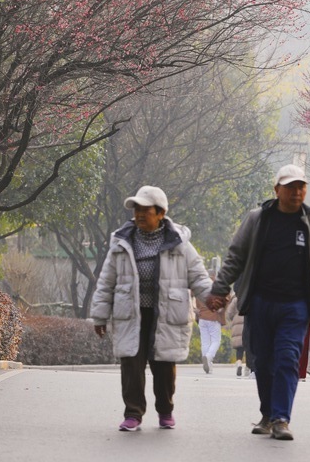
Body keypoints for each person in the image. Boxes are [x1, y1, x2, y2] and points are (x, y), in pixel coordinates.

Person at [210, 163, 310, 442]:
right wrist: (220, 288)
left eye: (301, 186)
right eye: (290, 187)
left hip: (295, 306)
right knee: (262, 361)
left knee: (288, 359)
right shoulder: (258, 220)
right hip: (261, 302)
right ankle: (267, 413)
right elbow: (236, 256)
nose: (296, 192)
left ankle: (281, 418)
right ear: (277, 189)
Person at [91, 185, 215, 432]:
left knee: (164, 365)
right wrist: (100, 315)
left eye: (145, 210)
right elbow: (107, 280)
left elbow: (198, 276)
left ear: (160, 213)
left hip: (166, 313)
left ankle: (165, 409)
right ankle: (133, 413)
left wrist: (213, 297)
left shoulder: (179, 243)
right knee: (131, 365)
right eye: (136, 209)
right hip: (131, 313)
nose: (138, 214)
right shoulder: (121, 242)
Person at [195, 272, 225, 373]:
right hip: (213, 317)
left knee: (205, 341)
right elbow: (223, 303)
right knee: (216, 340)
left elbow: (197, 306)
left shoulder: (201, 290)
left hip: (202, 318)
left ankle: (207, 363)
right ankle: (208, 357)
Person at [226, 294, 254, 376]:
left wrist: (233, 318)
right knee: (248, 346)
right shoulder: (250, 296)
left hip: (237, 322)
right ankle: (248, 367)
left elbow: (229, 312)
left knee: (239, 348)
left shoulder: (236, 299)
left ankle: (239, 363)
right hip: (248, 321)